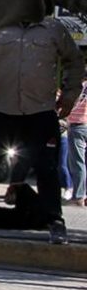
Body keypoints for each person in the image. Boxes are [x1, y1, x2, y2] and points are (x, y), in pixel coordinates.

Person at [0, 21, 83, 244]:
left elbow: (74, 61)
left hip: (40, 111)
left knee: (47, 168)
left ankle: (55, 221)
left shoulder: (54, 29)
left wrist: (70, 94)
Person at [65, 78, 87, 206]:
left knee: (78, 162)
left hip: (78, 125)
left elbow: (72, 104)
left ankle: (78, 196)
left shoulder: (78, 87)